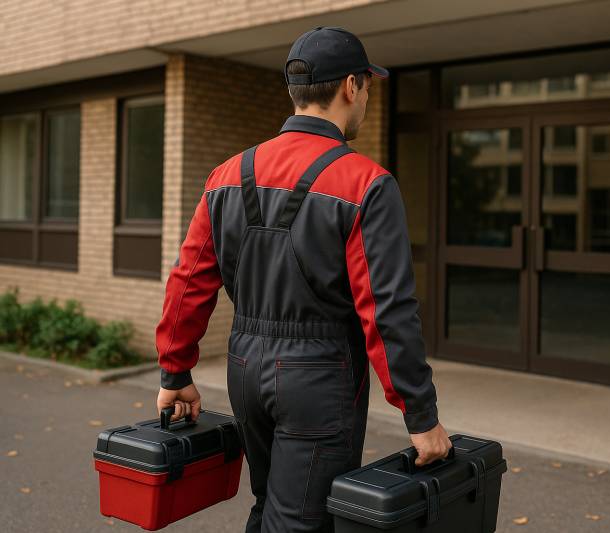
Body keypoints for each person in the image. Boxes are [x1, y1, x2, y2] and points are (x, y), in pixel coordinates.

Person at [154, 26, 452, 532]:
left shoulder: (226, 174)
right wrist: (420, 413)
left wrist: (175, 372)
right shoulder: (366, 183)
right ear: (351, 87)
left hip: (244, 367)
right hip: (319, 378)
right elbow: (386, 308)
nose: (365, 100)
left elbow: (188, 282)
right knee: (300, 522)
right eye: (367, 88)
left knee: (269, 504)